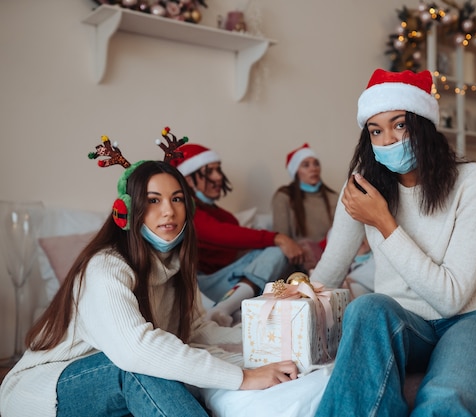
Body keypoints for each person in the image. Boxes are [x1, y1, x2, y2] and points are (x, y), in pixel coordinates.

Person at [0, 156, 298, 417]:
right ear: (129, 210)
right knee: (142, 366)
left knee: (168, 367)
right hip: (44, 390)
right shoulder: (105, 267)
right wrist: (243, 377)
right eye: (153, 200)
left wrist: (281, 341)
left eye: (177, 199)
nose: (168, 211)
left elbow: (200, 330)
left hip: (109, 387)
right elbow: (136, 351)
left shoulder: (176, 269)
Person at [310, 68, 476, 416]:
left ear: (423, 124)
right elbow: (328, 274)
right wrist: (288, 311)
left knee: (445, 400)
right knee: (365, 307)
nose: (388, 139)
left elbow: (451, 298)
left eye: (399, 124)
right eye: (376, 131)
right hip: (406, 324)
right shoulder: (362, 191)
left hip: (472, 318)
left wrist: (384, 222)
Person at [169, 143, 305, 326]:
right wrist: (277, 237)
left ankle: (232, 307)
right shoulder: (186, 210)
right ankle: (224, 308)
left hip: (231, 281)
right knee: (278, 250)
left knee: (281, 258)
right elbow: (220, 234)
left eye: (218, 170)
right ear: (188, 179)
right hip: (203, 286)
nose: (218, 177)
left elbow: (233, 239)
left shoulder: (226, 217)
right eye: (209, 172)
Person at [271, 143, 338, 271]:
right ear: (296, 171)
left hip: (330, 253)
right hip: (299, 256)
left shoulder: (333, 197)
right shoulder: (284, 196)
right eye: (306, 165)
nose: (313, 169)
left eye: (316, 164)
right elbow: (281, 236)